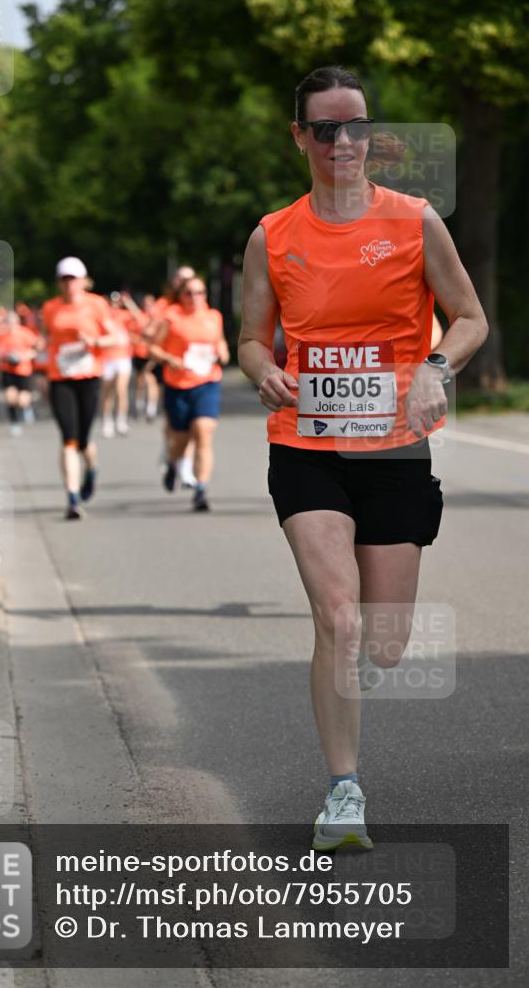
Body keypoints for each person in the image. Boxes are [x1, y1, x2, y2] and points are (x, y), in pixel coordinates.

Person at [238, 66, 488, 851]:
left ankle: (360, 667)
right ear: (299, 137)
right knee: (339, 621)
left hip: (394, 450)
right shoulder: (272, 235)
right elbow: (249, 339)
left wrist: (435, 368)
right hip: (305, 446)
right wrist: (261, 370)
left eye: (354, 126)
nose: (342, 142)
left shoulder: (413, 221)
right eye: (324, 129)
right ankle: (343, 791)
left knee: (381, 642)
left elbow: (469, 317)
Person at [41, 257, 118, 519]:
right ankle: (72, 499)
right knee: (68, 439)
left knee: (84, 440)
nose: (69, 283)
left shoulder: (96, 305)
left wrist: (95, 341)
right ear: (58, 282)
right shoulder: (50, 308)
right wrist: (39, 368)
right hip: (60, 377)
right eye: (64, 278)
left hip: (88, 375)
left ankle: (92, 469)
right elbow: (45, 340)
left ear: (83, 280)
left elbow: (114, 337)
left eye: (73, 278)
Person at [150, 274, 230, 512]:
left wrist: (223, 353)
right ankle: (173, 463)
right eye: (189, 293)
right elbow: (153, 348)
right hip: (178, 385)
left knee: (203, 433)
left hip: (207, 382)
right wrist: (169, 358)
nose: (194, 297)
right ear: (181, 295)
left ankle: (201, 489)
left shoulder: (213, 316)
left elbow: (220, 342)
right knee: (181, 439)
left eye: (200, 292)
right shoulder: (172, 317)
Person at [0, 310, 42, 435]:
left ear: (17, 322)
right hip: (7, 370)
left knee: (22, 400)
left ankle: (27, 407)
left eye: (13, 321)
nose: (11, 324)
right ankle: (14, 423)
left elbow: (37, 347)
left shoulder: (25, 333)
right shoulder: (0, 335)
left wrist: (25, 356)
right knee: (9, 397)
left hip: (24, 370)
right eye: (8, 321)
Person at [100, 292, 133, 437]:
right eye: (112, 302)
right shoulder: (104, 316)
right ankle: (107, 420)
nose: (114, 305)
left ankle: (121, 420)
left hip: (123, 357)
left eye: (117, 302)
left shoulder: (124, 315)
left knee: (121, 389)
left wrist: (129, 303)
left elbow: (141, 319)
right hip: (107, 357)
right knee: (108, 392)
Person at [123, 292, 160, 422]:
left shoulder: (158, 318)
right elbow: (130, 333)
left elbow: (153, 333)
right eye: (146, 304)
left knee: (150, 379)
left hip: (152, 355)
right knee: (140, 380)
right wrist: (139, 340)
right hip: (139, 354)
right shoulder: (140, 318)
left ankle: (151, 409)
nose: (148, 306)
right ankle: (140, 405)